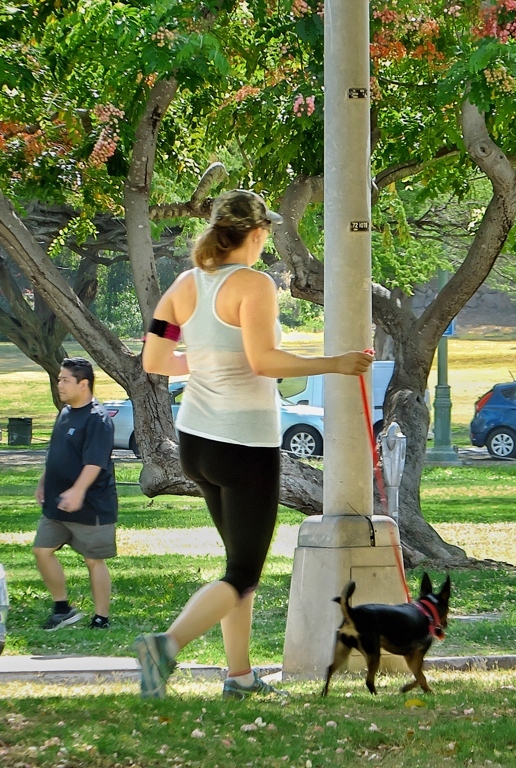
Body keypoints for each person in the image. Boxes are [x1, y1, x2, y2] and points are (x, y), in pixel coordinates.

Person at [135, 189, 372, 701]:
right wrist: (334, 363)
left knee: (237, 567)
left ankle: (239, 677)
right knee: (243, 572)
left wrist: (197, 362)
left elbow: (154, 361)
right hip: (242, 446)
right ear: (259, 233)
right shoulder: (253, 284)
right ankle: (166, 645)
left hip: (195, 443)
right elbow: (265, 361)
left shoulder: (182, 284)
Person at [33, 357, 118, 630]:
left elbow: (95, 462)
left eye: (65, 380)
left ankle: (101, 617)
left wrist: (78, 491)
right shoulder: (65, 412)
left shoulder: (98, 419)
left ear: (84, 384)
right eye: (59, 379)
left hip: (91, 505)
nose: (59, 384)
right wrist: (44, 481)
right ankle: (62, 608)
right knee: (42, 550)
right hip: (57, 503)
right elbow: (57, 452)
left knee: (94, 560)